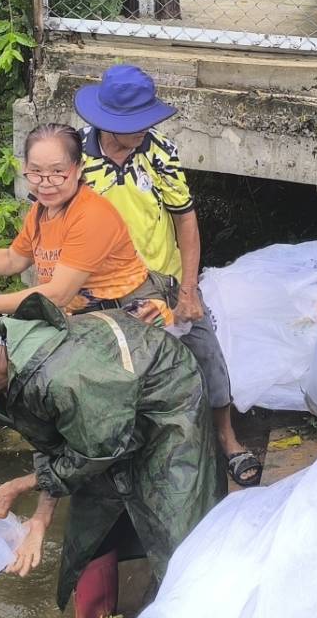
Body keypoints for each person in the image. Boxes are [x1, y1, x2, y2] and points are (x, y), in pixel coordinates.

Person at [0, 295, 220, 618]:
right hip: (105, 411)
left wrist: (21, 485)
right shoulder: (7, 369)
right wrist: (40, 519)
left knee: (180, 518)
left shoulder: (60, 375)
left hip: (165, 398)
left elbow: (98, 449)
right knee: (90, 516)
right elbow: (60, 444)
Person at [75, 64, 260, 487]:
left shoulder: (160, 151)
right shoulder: (76, 161)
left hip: (168, 279)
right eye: (134, 123)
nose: (144, 129)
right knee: (122, 377)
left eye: (147, 120)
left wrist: (189, 290)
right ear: (106, 121)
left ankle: (227, 439)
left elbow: (186, 220)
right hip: (108, 290)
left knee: (207, 353)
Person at [0, 124, 173, 323]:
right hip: (84, 316)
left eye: (57, 172)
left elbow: (59, 293)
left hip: (130, 315)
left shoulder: (92, 215)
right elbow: (12, 260)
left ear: (78, 169)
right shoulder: (41, 212)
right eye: (36, 172)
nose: (46, 182)